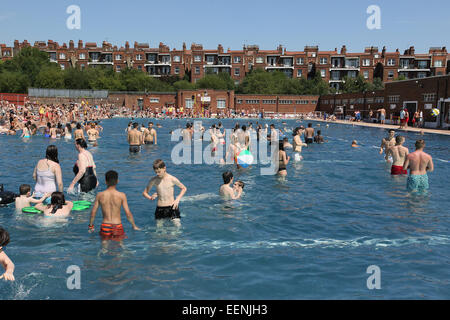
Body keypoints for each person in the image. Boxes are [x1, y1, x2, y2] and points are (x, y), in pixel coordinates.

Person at [89, 170, 140, 241]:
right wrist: (134, 226)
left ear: (106, 182)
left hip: (105, 226)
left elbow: (93, 212)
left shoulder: (100, 195)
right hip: (117, 226)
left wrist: (91, 226)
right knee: (120, 246)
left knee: (104, 246)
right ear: (117, 181)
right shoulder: (122, 195)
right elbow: (128, 213)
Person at [142, 159, 187, 227]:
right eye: (156, 172)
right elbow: (144, 193)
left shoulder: (172, 179)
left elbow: (184, 188)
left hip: (172, 207)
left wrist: (177, 199)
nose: (157, 174)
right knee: (159, 230)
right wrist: (150, 197)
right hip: (160, 209)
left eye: (159, 172)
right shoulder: (154, 180)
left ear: (164, 168)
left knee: (177, 228)